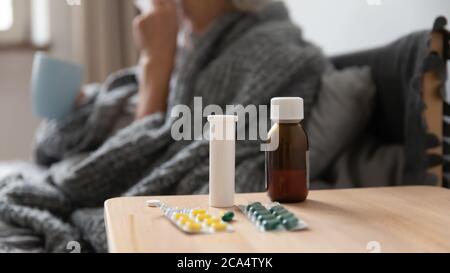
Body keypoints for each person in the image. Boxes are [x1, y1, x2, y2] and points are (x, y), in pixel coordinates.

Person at [0, 0, 330, 252]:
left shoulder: (272, 54)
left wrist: (155, 62)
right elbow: (55, 144)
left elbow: (148, 155)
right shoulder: (186, 44)